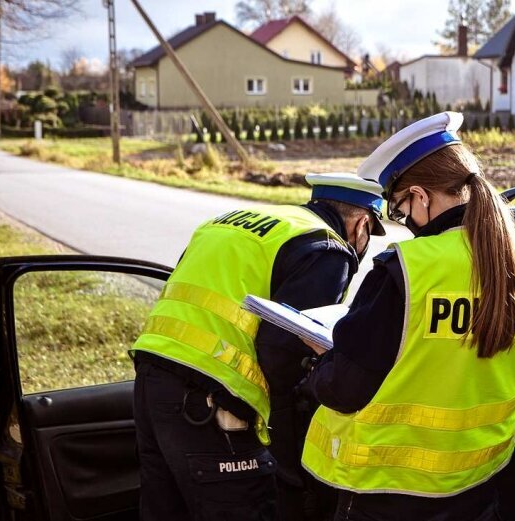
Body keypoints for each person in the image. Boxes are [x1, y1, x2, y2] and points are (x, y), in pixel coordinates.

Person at [299, 112, 515, 520]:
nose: (405, 224)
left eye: (401, 211)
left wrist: (320, 358)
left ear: (420, 196)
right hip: (479, 486)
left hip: (389, 493)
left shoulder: (405, 268)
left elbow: (345, 390)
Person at [131, 172, 385, 521]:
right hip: (212, 400)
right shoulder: (326, 247)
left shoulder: (231, 222)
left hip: (150, 377)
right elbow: (285, 351)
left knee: (164, 508)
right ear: (362, 225)